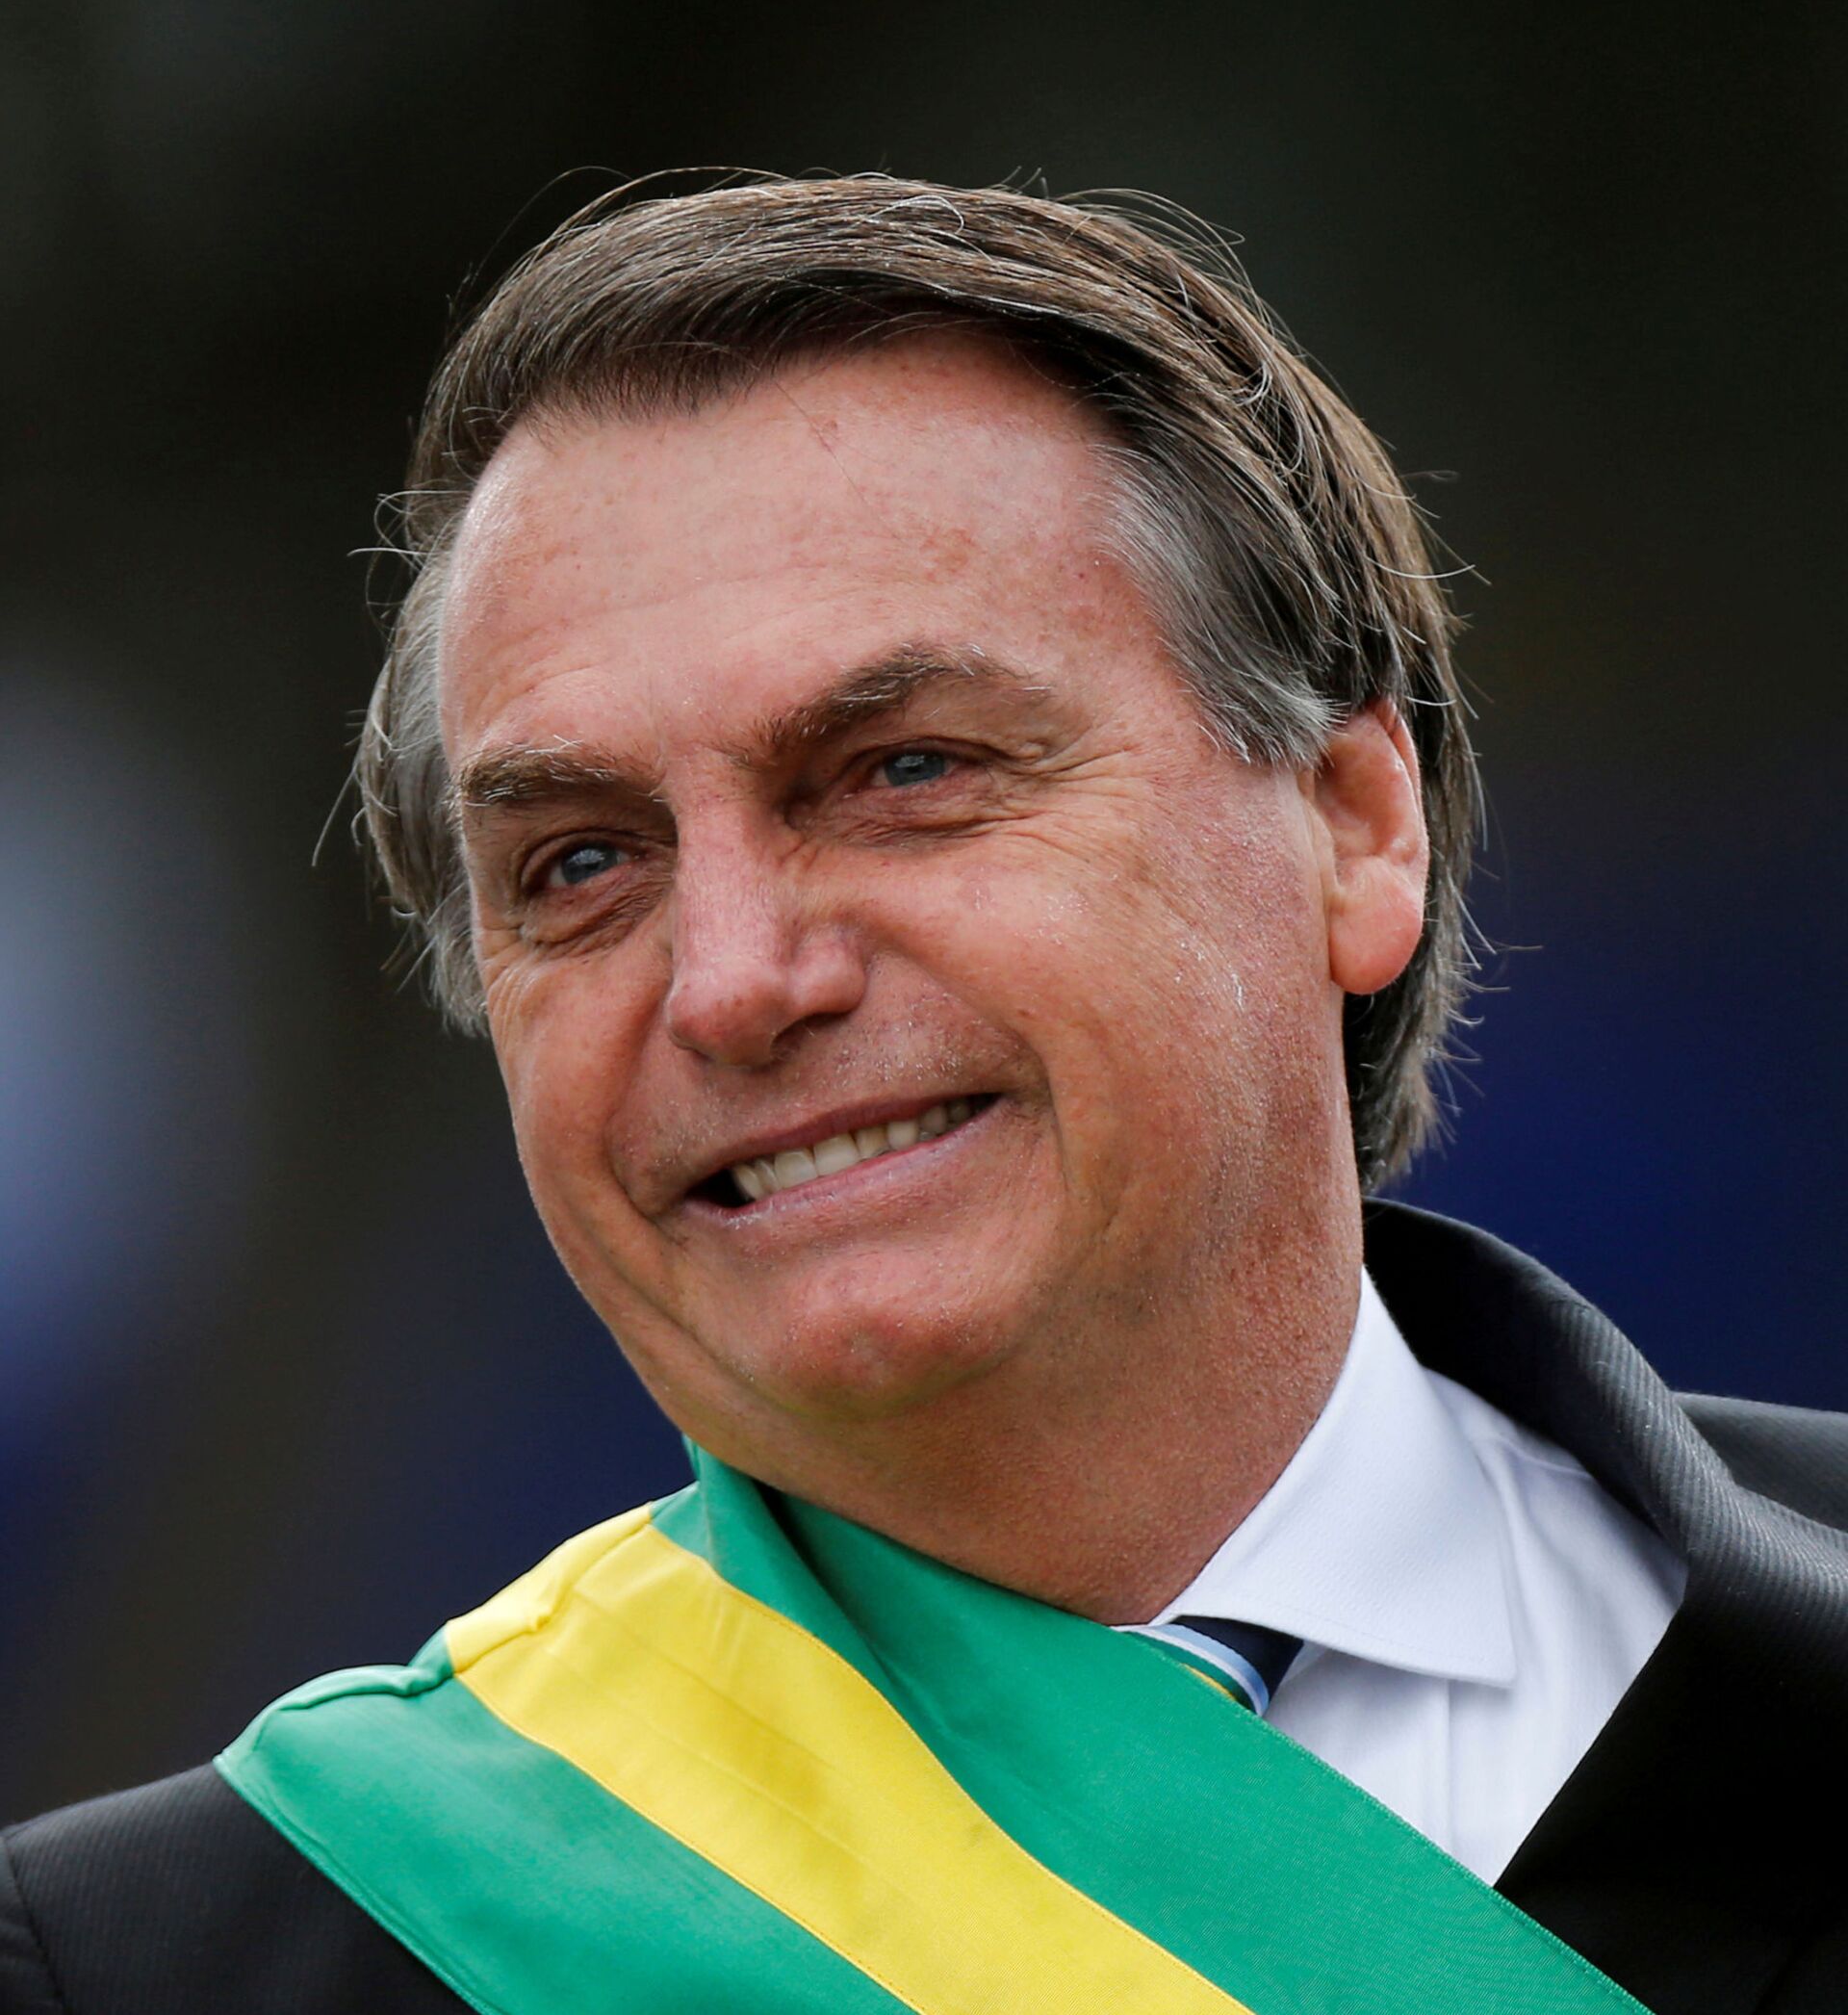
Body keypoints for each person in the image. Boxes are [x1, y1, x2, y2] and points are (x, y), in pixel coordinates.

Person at [3, 173, 1842, 2015]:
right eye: (582, 862)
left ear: (1358, 827)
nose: (734, 980)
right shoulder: (159, 1967)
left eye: (906, 770)